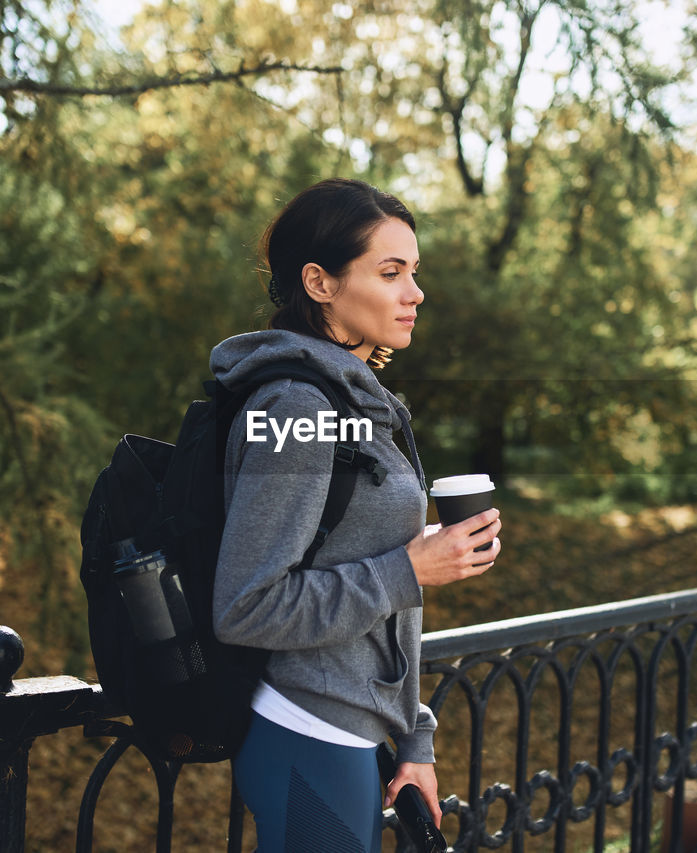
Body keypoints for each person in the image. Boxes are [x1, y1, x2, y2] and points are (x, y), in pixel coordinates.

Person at [210, 177, 502, 852]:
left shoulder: (360, 403)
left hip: (354, 734)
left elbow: (365, 575)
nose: (415, 292)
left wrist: (414, 734)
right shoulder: (298, 408)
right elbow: (247, 605)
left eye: (415, 272)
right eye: (390, 271)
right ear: (320, 282)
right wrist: (408, 566)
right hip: (306, 732)